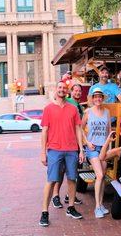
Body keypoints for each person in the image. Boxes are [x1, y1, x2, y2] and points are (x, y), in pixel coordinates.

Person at [39, 82, 84, 227]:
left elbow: (78, 129)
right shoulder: (48, 109)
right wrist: (43, 152)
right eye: (60, 87)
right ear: (55, 90)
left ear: (67, 91)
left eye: (64, 88)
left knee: (72, 179)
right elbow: (44, 131)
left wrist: (81, 150)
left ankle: (71, 207)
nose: (62, 90)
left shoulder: (73, 109)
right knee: (51, 180)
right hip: (54, 149)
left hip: (71, 150)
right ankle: (44, 212)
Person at [51, 83, 84, 208]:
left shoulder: (79, 107)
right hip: (62, 143)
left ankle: (69, 196)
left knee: (72, 173)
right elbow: (56, 99)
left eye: (79, 91)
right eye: (75, 90)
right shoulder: (68, 101)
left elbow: (79, 126)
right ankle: (55, 196)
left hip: (74, 143)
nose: (77, 93)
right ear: (70, 92)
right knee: (60, 171)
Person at [82, 88, 110, 218]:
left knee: (103, 176)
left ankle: (101, 204)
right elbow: (80, 129)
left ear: (102, 98)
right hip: (92, 148)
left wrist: (108, 146)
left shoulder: (107, 112)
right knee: (99, 175)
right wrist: (87, 142)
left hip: (103, 147)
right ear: (92, 99)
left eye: (100, 97)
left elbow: (109, 131)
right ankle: (97, 207)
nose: (98, 99)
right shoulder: (88, 112)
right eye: (95, 97)